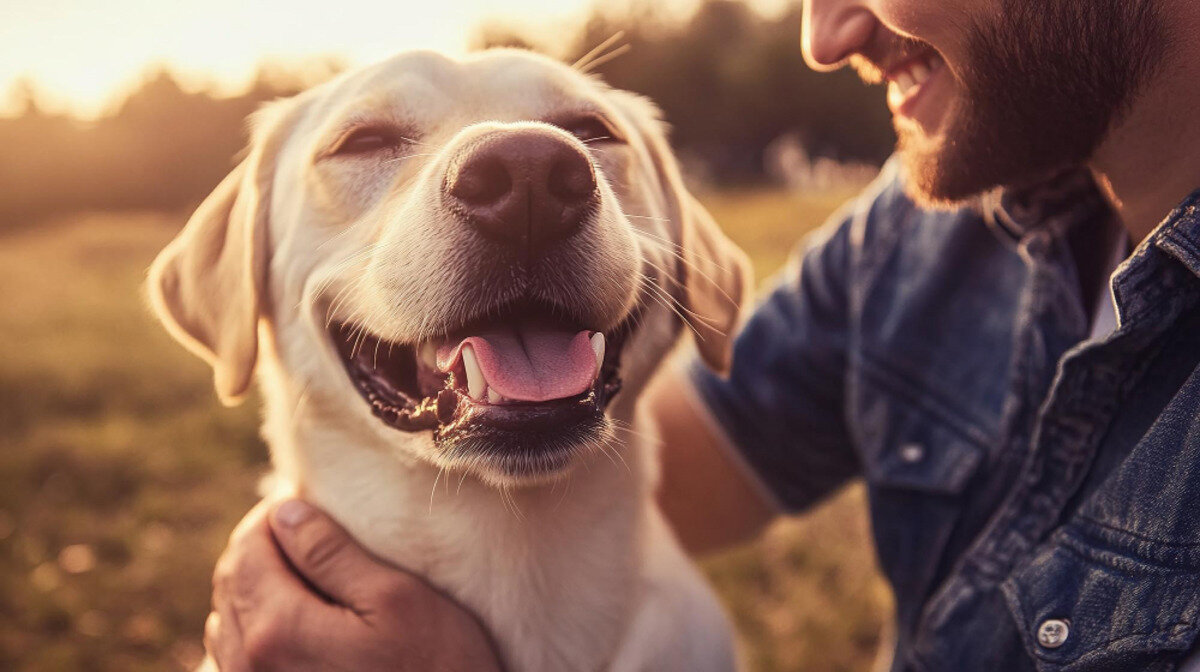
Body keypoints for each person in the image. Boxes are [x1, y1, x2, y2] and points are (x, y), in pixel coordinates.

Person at [203, 0, 1200, 669]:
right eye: (369, 142)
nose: (825, 32)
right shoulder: (928, 230)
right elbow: (673, 460)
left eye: (588, 140)